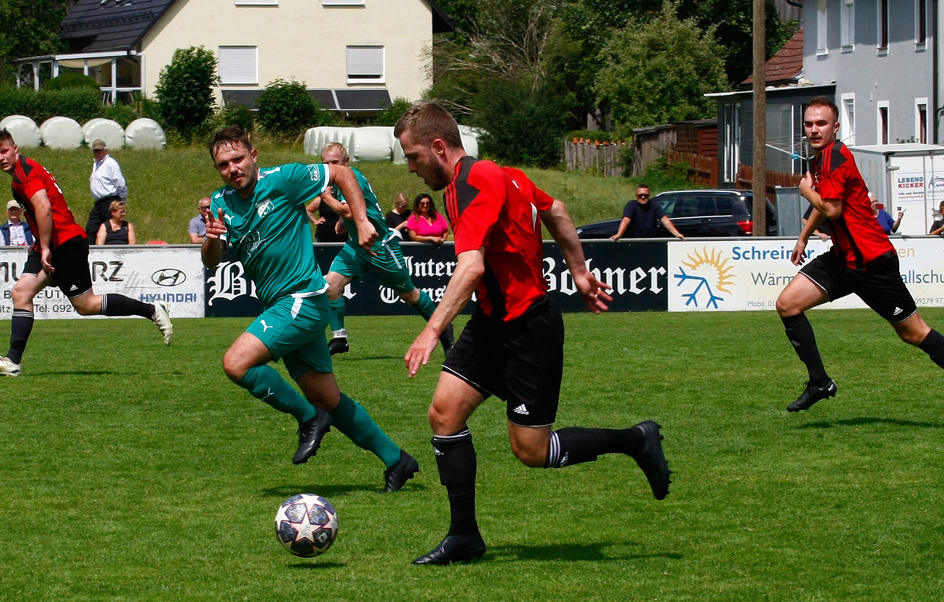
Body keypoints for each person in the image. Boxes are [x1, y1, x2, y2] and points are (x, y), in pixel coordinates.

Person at [394, 102, 672, 565]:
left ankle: (636, 439)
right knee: (444, 415)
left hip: (528, 329)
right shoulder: (506, 176)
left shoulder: (471, 183)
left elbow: (471, 265)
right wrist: (580, 273)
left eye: (412, 157)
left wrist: (431, 330)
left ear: (438, 147)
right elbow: (557, 210)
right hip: (492, 323)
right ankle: (464, 536)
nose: (411, 168)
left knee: (532, 451)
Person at [201, 126, 419, 492]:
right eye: (223, 164)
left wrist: (361, 221)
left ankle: (308, 418)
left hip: (303, 299)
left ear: (254, 155)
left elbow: (341, 173)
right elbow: (211, 262)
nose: (232, 168)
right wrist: (211, 239)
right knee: (329, 398)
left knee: (236, 363)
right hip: (283, 306)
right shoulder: (221, 202)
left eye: (238, 159)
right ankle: (397, 460)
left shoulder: (283, 178)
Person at [776, 96, 944, 412]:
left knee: (915, 334)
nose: (814, 129)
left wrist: (804, 190)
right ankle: (819, 382)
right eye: (809, 124)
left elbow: (832, 209)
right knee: (787, 304)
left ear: (836, 127)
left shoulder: (835, 158)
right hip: (843, 260)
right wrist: (803, 237)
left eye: (821, 123)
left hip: (872, 264)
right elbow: (825, 206)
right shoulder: (820, 160)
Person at [0, 129, 172, 377]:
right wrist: (42, 244)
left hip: (64, 243)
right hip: (50, 243)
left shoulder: (25, 173)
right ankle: (13, 362)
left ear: (15, 148)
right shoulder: (23, 172)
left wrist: (45, 247)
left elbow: (44, 208)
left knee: (86, 305)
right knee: (21, 292)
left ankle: (152, 310)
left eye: (4, 151)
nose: (0, 158)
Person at [318, 142, 454, 356]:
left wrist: (327, 198)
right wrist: (345, 224)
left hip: (380, 245)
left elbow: (351, 211)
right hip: (357, 244)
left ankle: (444, 329)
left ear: (346, 162)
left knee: (410, 295)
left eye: (334, 162)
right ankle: (340, 338)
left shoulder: (351, 177)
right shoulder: (338, 181)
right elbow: (358, 211)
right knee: (330, 286)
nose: (330, 167)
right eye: (326, 164)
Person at [86, 139, 127, 244]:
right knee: (91, 228)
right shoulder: (96, 164)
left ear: (105, 150)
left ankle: (111, 248)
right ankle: (88, 252)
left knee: (110, 228)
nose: (97, 153)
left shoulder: (110, 163)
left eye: (100, 150)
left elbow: (120, 183)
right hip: (99, 202)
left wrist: (121, 200)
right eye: (95, 151)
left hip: (110, 200)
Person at [610, 185, 685, 241]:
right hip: (634, 242)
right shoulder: (631, 205)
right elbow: (626, 220)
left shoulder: (654, 204)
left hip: (651, 241)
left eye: (645, 195)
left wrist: (677, 234)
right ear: (636, 196)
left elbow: (664, 220)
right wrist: (619, 234)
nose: (643, 197)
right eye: (640, 195)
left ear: (649, 195)